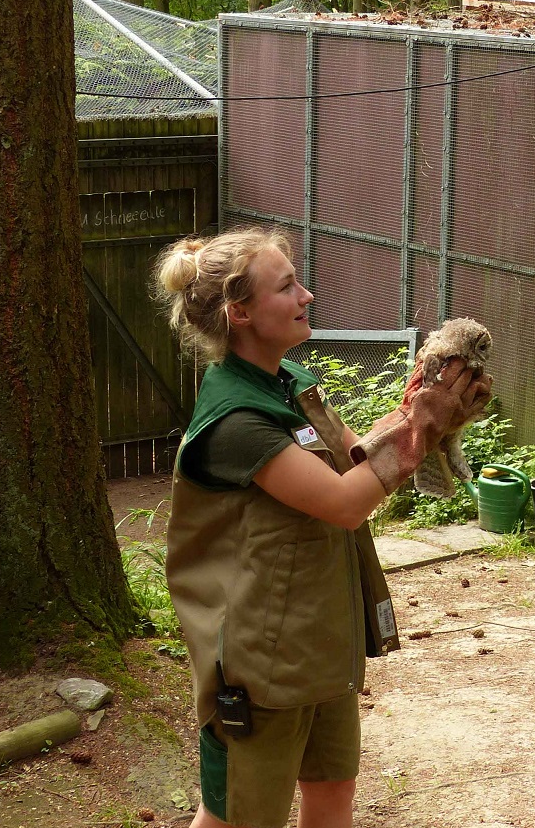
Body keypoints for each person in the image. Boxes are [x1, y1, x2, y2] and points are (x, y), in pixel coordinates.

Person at [155, 228, 491, 828]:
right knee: (238, 813)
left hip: (317, 638)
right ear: (241, 313)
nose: (307, 294)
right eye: (287, 286)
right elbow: (342, 501)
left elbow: (355, 457)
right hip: (263, 658)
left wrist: (421, 406)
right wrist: (418, 431)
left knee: (334, 790)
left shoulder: (292, 384)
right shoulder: (236, 420)